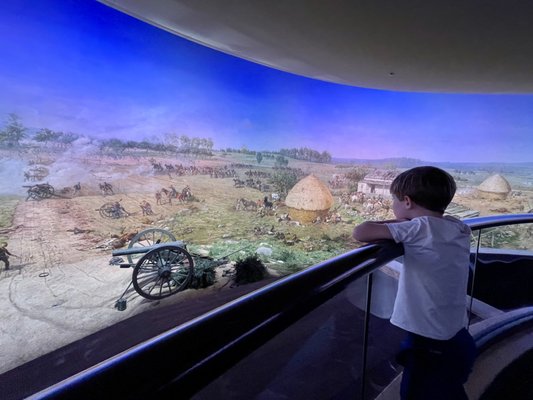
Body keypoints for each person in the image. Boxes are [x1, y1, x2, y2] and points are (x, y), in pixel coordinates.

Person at [352, 166, 476, 400]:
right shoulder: (457, 226)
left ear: (407, 202)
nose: (393, 206)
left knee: (417, 394)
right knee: (449, 392)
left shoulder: (419, 228)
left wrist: (396, 222)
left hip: (431, 346)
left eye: (394, 201)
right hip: (458, 338)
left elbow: (361, 232)